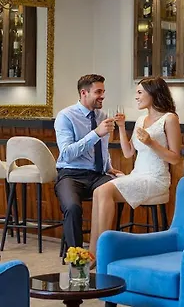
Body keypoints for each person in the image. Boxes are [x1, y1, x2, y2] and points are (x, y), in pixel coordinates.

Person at [88, 76, 182, 262]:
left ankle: (102, 253)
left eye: (139, 92)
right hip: (137, 175)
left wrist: (152, 143)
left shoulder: (169, 119)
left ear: (153, 93)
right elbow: (128, 152)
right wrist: (122, 127)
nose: (136, 97)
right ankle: (92, 253)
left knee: (105, 191)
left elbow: (175, 158)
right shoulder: (140, 120)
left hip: (156, 179)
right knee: (98, 191)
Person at [54, 74, 122, 249]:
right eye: (98, 92)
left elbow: (102, 148)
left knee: (119, 192)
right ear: (84, 93)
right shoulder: (65, 116)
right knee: (72, 208)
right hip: (71, 174)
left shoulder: (103, 115)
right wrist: (96, 133)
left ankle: (103, 251)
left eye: (103, 91)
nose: (103, 96)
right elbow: (66, 154)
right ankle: (76, 257)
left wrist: (109, 167)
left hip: (98, 175)